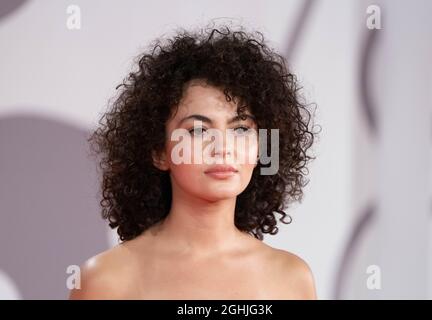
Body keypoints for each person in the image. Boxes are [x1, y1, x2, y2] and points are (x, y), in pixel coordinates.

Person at [69, 24, 318, 300]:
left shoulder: (290, 279)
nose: (223, 148)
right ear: (159, 152)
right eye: (198, 131)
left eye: (241, 129)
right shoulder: (106, 279)